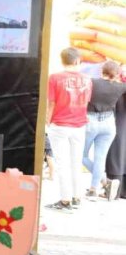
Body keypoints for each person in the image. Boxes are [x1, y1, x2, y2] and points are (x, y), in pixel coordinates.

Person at [45, 47, 93, 210]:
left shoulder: (54, 78)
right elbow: (86, 102)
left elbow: (51, 103)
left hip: (59, 124)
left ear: (62, 60)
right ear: (77, 60)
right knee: (75, 162)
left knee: (62, 163)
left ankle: (65, 200)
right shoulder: (87, 79)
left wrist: (47, 121)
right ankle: (76, 197)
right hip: (80, 124)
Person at [83, 61, 126, 198]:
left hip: (91, 120)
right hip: (109, 123)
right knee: (100, 158)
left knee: (82, 156)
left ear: (102, 70)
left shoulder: (92, 82)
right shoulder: (120, 87)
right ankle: (94, 190)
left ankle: (105, 181)